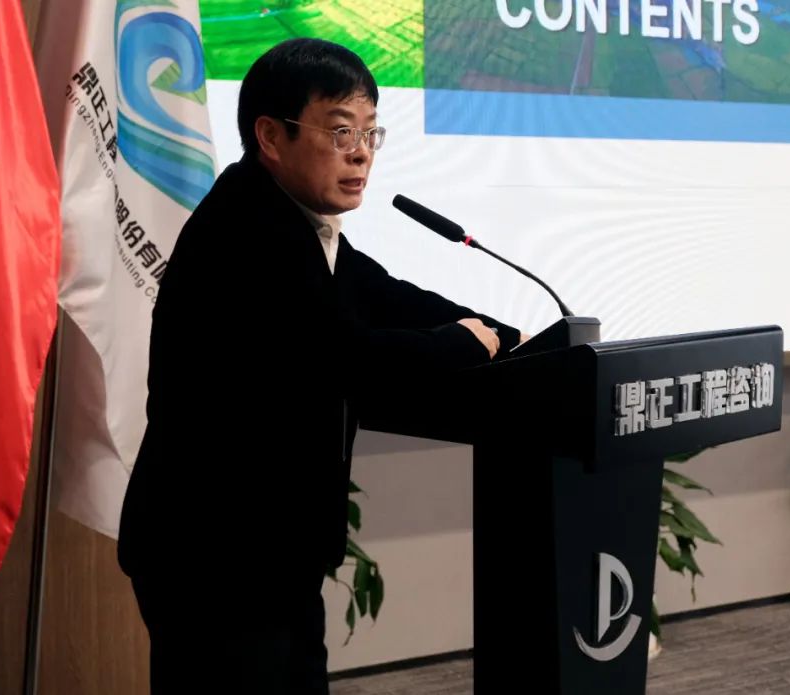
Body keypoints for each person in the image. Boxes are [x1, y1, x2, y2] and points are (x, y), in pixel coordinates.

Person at [117, 37, 527, 694]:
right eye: (340, 132)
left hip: (271, 553)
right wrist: (462, 343)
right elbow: (344, 356)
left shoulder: (292, 217)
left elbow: (388, 296)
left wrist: (509, 336)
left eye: (369, 132)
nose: (360, 152)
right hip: (216, 555)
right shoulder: (249, 231)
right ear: (271, 136)